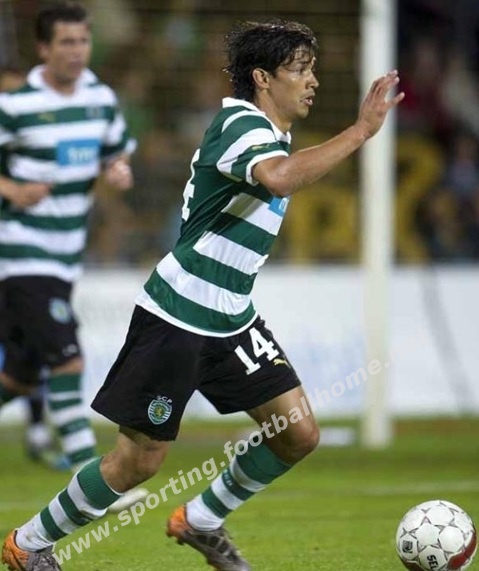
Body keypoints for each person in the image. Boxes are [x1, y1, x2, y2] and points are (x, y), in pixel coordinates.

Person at [1, 18, 404, 571]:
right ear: (262, 77)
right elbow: (279, 178)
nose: (313, 81)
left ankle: (201, 519)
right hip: (179, 316)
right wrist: (360, 132)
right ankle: (28, 543)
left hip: (233, 317)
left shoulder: (272, 133)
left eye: (312, 69)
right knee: (138, 461)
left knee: (297, 433)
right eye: (300, 70)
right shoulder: (240, 124)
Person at [0, 1, 147, 508]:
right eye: (66, 42)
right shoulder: (17, 105)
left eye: (82, 41)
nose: (76, 51)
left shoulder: (99, 98)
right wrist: (12, 190)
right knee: (67, 358)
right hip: (20, 253)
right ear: (44, 48)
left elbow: (115, 150)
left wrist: (118, 169)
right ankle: (93, 480)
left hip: (65, 257)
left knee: (20, 375)